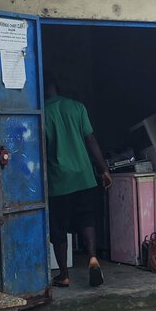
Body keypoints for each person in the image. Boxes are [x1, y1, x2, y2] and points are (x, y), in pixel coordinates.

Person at [44, 76, 112, 288]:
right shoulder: (77, 107)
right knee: (87, 219)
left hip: (58, 180)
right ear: (57, 87)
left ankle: (64, 275)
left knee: (59, 228)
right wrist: (104, 169)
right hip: (84, 177)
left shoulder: (41, 113)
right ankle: (92, 257)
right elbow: (90, 140)